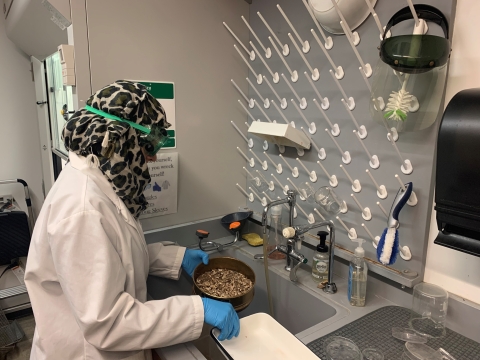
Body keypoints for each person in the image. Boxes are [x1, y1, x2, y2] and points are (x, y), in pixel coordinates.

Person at [24, 80, 240, 360]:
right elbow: (108, 324)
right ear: (120, 137)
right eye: (150, 143)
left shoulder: (97, 180)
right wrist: (199, 310)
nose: (152, 156)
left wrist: (174, 257)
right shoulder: (83, 210)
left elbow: (113, 257)